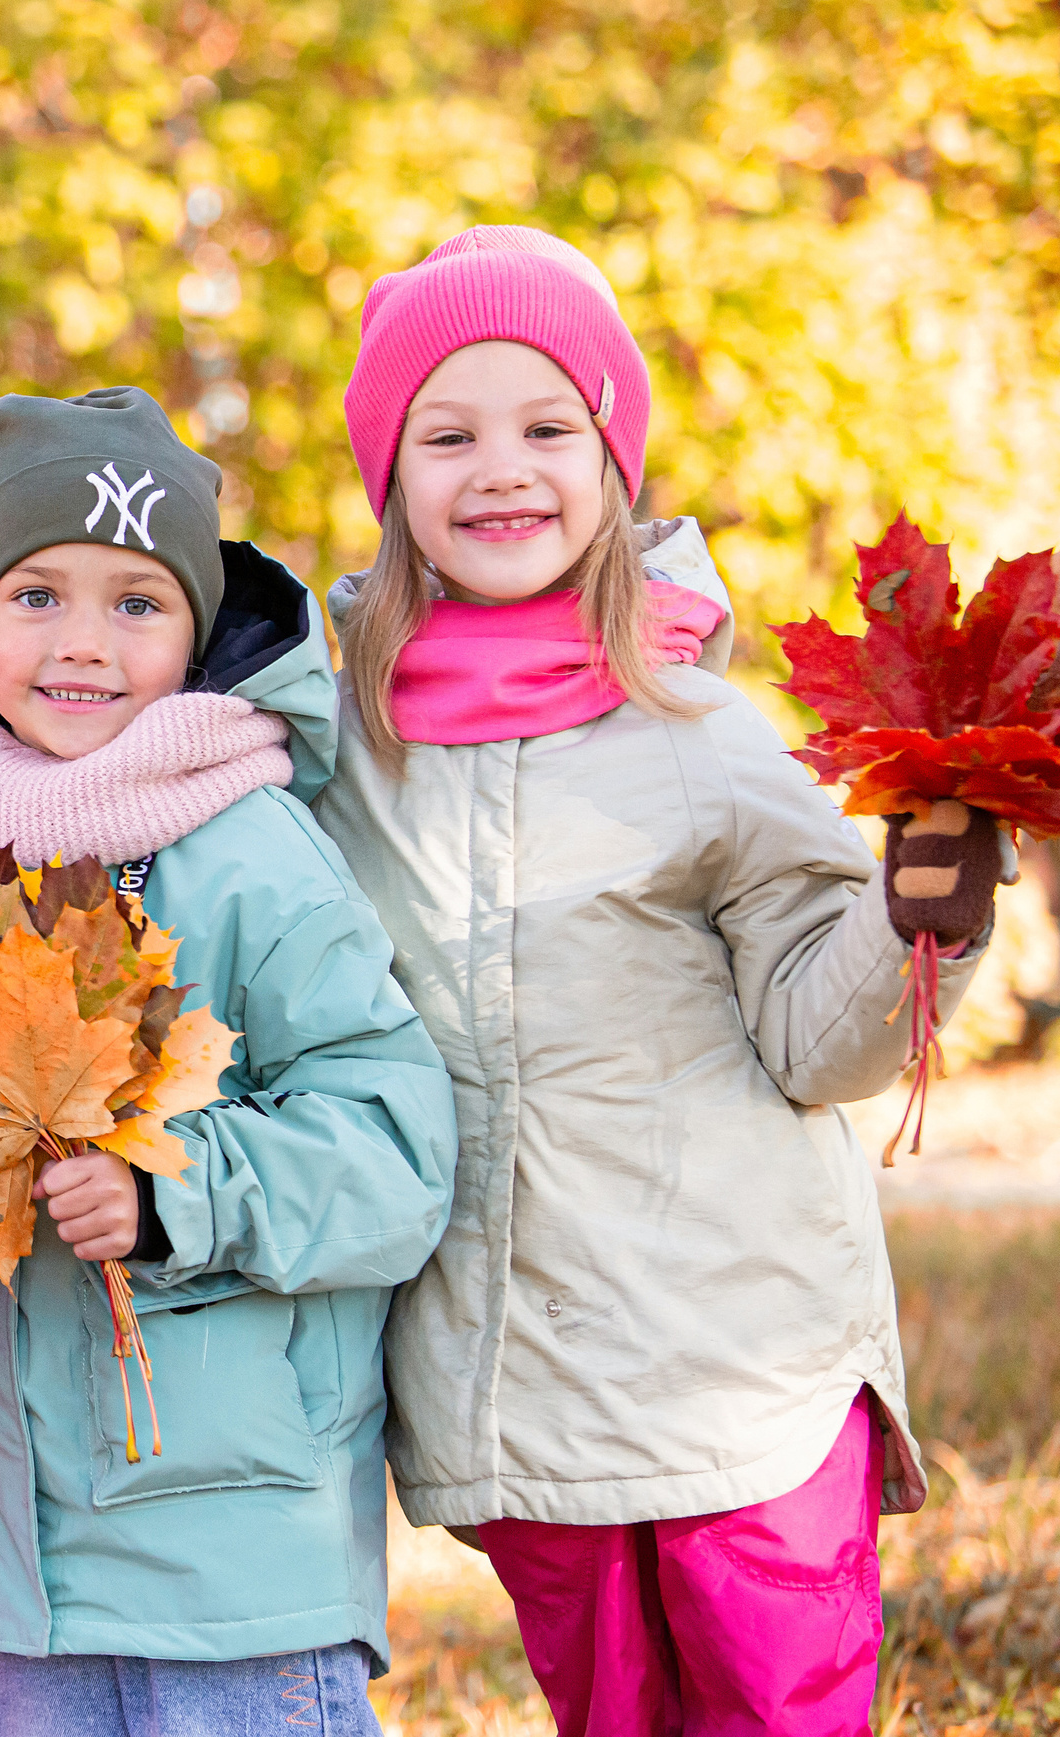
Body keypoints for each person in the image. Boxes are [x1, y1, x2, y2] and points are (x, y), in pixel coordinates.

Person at [315, 226, 1003, 1735]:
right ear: (390, 472)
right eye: (450, 432)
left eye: (549, 426)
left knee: (776, 1709)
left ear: (615, 455)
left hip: (734, 1362)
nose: (503, 468)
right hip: (517, 1370)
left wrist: (908, 927)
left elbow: (819, 1043)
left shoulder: (698, 721)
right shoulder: (337, 736)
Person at [0, 385, 458, 1735]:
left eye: (136, 603)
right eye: (36, 594)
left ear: (197, 627)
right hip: (25, 1546)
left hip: (232, 1541)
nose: (82, 644)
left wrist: (178, 1188)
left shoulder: (245, 849)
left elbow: (398, 1146)